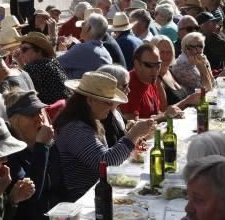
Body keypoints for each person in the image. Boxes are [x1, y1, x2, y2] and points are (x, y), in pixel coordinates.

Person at [54, 72, 155, 201]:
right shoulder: (75, 128)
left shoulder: (89, 120)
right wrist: (133, 135)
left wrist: (132, 141)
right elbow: (106, 163)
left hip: (99, 190)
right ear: (90, 100)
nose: (111, 106)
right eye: (107, 102)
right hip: (84, 198)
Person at [5, 91, 65, 220]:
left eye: (39, 112)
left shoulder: (48, 143)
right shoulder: (10, 154)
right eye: (31, 115)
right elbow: (31, 196)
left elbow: (61, 187)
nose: (39, 118)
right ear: (15, 121)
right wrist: (41, 147)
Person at [120, 43, 183, 121]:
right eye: (149, 65)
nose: (155, 70)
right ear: (137, 64)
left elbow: (156, 113)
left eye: (158, 64)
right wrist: (164, 115)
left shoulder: (151, 79)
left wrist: (171, 114)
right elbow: (131, 122)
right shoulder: (128, 85)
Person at [18, 32, 70, 104]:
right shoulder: (52, 61)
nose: (21, 54)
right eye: (20, 50)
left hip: (54, 111)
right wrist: (20, 62)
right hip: (66, 106)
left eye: (24, 49)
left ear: (39, 51)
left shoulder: (34, 68)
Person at [152, 35, 201, 109]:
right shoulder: (156, 79)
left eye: (169, 51)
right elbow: (163, 111)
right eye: (161, 52)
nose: (166, 55)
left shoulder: (170, 71)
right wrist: (187, 101)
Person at [58, 14, 112, 78]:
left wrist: (62, 51)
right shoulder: (106, 53)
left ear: (88, 28)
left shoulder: (82, 48)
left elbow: (55, 64)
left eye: (83, 24)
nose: (81, 27)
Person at [96, 64, 131, 148]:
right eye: (125, 85)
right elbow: (112, 150)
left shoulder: (115, 111)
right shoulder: (104, 116)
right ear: (110, 86)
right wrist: (135, 134)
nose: (129, 90)